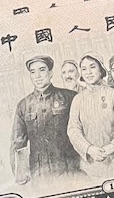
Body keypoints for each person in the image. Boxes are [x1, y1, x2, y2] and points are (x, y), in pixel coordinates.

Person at [9, 56, 78, 187]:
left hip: (70, 170)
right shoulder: (23, 105)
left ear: (50, 73)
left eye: (42, 70)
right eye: (33, 72)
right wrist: (21, 175)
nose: (38, 76)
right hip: (40, 175)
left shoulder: (69, 97)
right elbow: (18, 143)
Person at [67, 53, 114, 180]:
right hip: (92, 168)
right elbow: (73, 129)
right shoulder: (78, 100)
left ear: (101, 70)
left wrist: (112, 147)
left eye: (92, 67)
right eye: (84, 69)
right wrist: (89, 149)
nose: (88, 72)